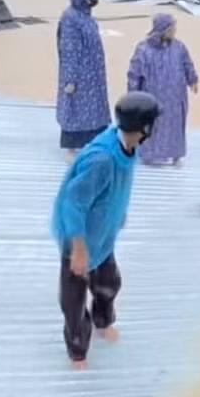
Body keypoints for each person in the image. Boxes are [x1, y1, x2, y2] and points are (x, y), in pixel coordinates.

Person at [51, 91, 161, 369]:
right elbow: (73, 203)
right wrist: (78, 249)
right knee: (74, 303)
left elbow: (116, 188)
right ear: (145, 128)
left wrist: (118, 215)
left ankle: (103, 320)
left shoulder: (129, 147)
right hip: (79, 238)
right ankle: (78, 351)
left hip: (102, 235)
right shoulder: (101, 160)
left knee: (109, 283)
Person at [126, 14, 199, 166]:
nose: (175, 31)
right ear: (163, 30)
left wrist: (193, 80)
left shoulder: (179, 47)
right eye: (172, 28)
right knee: (152, 125)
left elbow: (187, 64)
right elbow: (134, 73)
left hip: (175, 97)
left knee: (175, 126)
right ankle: (148, 155)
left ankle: (176, 155)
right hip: (152, 97)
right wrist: (132, 94)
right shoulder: (144, 49)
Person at [56, 0, 111, 157]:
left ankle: (94, 144)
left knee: (94, 111)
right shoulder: (70, 19)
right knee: (75, 110)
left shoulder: (87, 17)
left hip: (93, 74)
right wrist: (70, 79)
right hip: (80, 75)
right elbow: (69, 50)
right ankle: (71, 148)